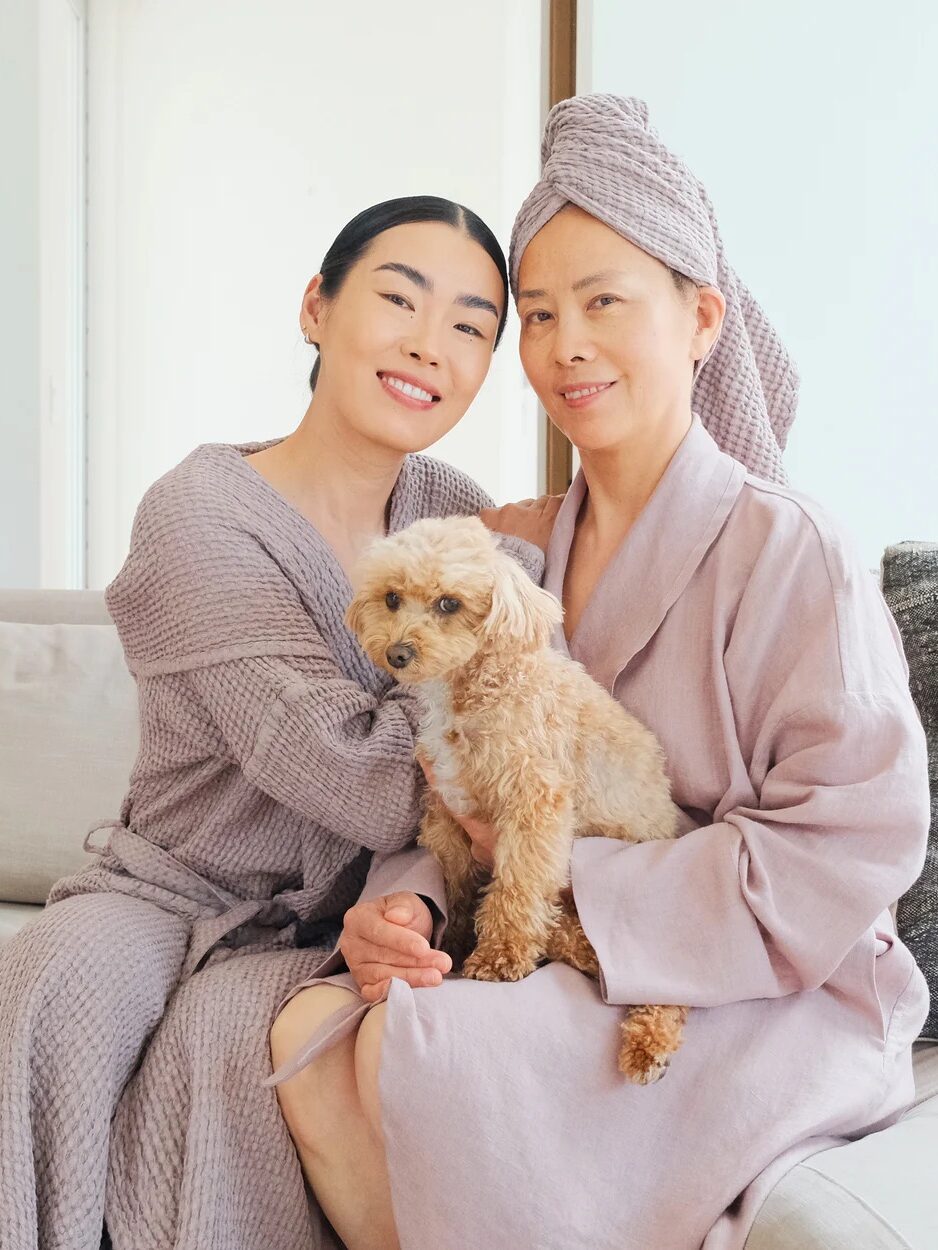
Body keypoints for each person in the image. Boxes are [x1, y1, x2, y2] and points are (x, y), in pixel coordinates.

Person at [270, 96, 930, 1250]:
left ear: (701, 318)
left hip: (761, 982)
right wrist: (414, 900)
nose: (563, 342)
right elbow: (464, 765)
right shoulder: (520, 549)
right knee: (307, 1031)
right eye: (536, 314)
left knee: (418, 1043)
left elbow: (852, 843)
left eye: (603, 302)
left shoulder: (786, 548)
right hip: (579, 935)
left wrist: (579, 882)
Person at [0, 195, 551, 1250]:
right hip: (168, 892)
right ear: (317, 307)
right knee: (51, 987)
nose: (427, 344)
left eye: (472, 326)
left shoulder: (451, 505)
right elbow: (360, 774)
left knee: (242, 1044)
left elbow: (512, 731)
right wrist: (509, 568)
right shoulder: (198, 514)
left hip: (360, 917)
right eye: (397, 298)